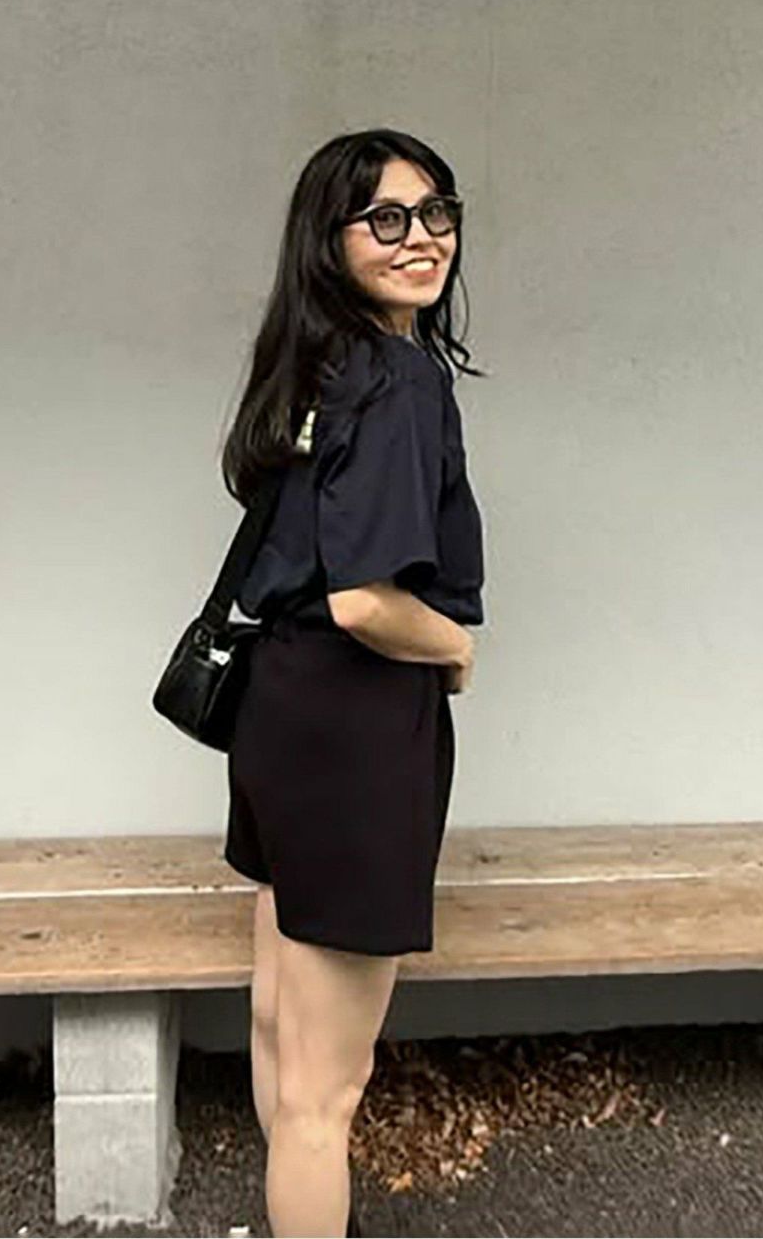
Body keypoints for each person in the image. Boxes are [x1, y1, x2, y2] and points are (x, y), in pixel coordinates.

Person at [219, 128, 487, 1238]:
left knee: (282, 1032)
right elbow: (366, 602)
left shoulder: (316, 367)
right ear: (330, 242)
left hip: (280, 715)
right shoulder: (398, 382)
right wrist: (456, 647)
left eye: (436, 211)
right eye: (385, 219)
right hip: (356, 724)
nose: (421, 238)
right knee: (327, 1093)